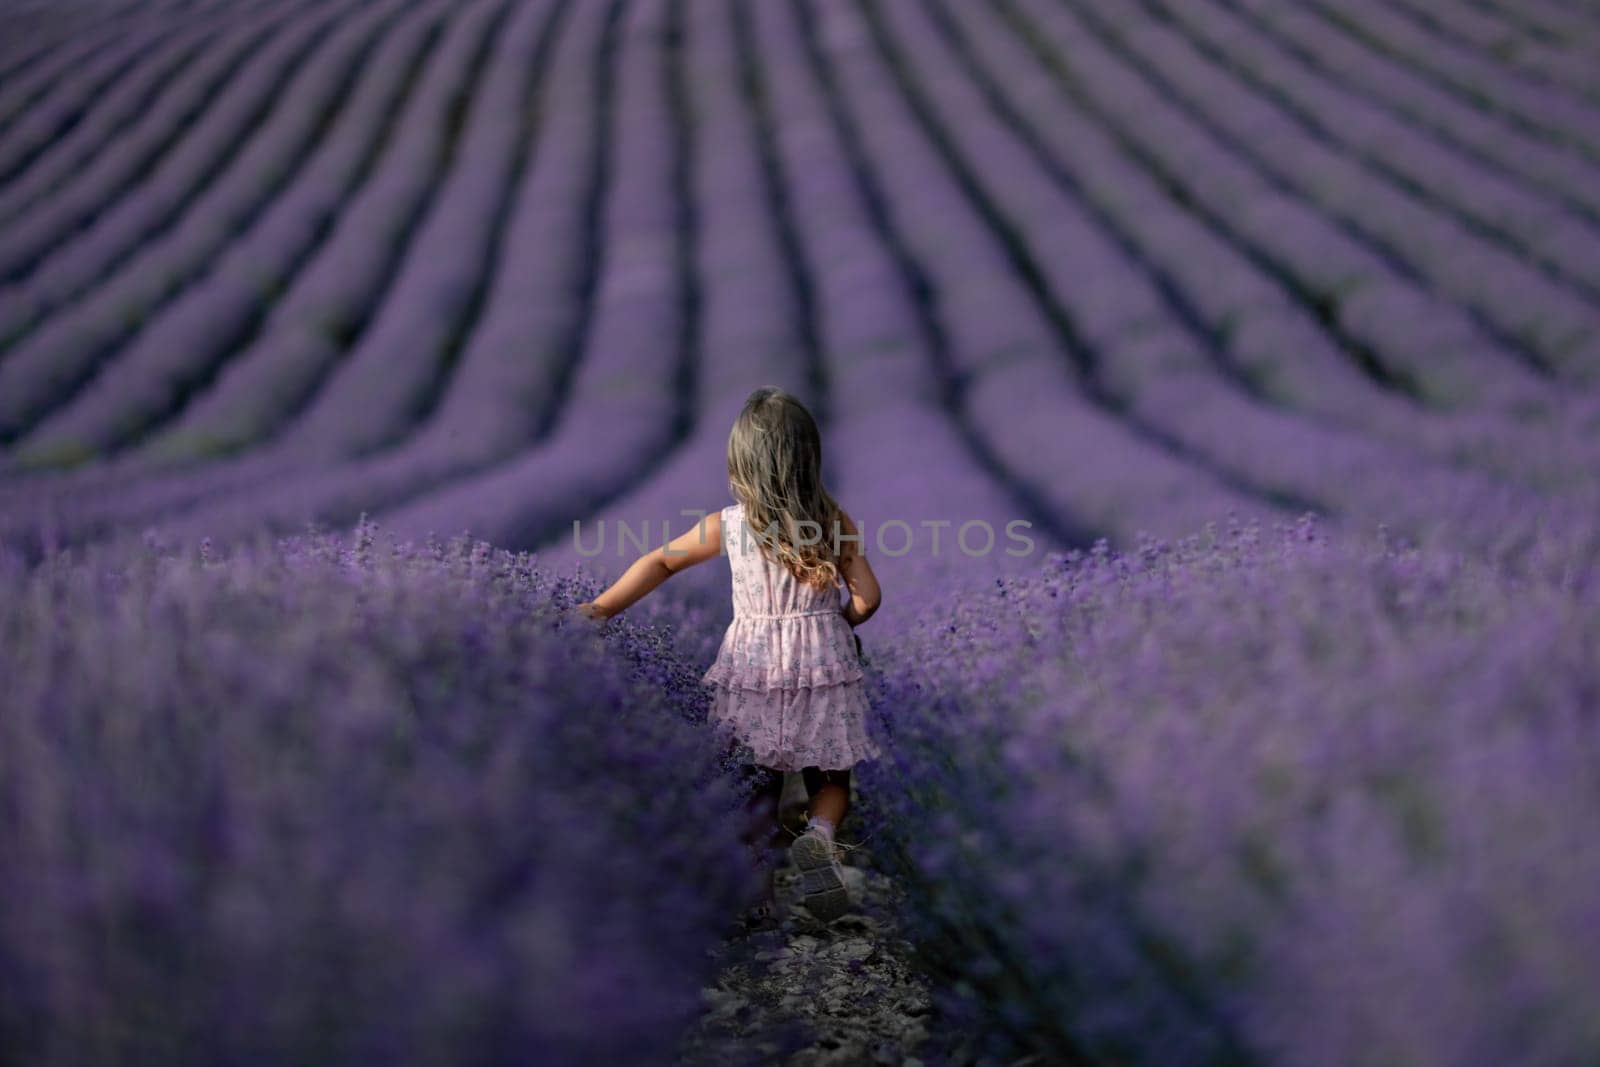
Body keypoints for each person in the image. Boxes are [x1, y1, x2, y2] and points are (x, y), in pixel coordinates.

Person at [578, 386, 882, 923]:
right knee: (831, 775)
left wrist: (600, 608)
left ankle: (755, 898)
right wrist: (842, 621)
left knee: (755, 786)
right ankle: (819, 834)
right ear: (810, 458)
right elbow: (868, 598)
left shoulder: (730, 525)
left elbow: (660, 563)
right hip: (823, 660)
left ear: (741, 462)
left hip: (755, 664)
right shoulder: (835, 521)